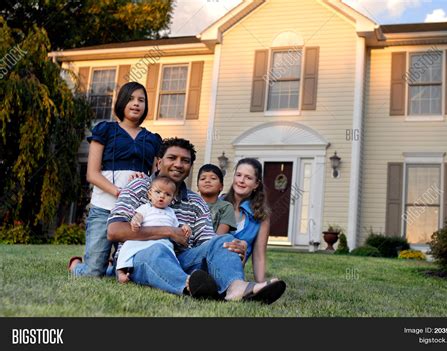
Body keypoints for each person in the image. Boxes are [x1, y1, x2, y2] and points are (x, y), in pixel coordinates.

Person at [107, 137, 286, 304]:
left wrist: (232, 248)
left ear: (190, 166)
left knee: (224, 240)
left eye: (185, 161)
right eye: (172, 158)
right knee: (156, 251)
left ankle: (236, 287)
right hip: (138, 257)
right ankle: (188, 284)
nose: (178, 164)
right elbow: (114, 231)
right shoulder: (139, 187)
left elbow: (208, 241)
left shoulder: (196, 201)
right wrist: (168, 231)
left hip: (181, 258)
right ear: (159, 161)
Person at [68, 82, 162, 277]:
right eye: (130, 99)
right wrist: (121, 192)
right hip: (104, 207)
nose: (136, 104)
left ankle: (113, 263)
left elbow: (156, 179)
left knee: (130, 272)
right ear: (121, 102)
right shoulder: (105, 130)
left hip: (136, 213)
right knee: (93, 273)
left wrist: (143, 185)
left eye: (141, 100)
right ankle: (76, 265)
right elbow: (92, 174)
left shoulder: (152, 139)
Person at [116, 175, 191, 283]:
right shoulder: (146, 208)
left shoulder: (171, 212)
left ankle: (176, 274)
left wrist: (185, 227)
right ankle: (121, 272)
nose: (162, 196)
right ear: (150, 194)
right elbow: (139, 216)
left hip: (163, 242)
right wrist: (136, 221)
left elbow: (177, 227)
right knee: (127, 248)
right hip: (143, 240)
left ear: (172, 199)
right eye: (158, 192)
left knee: (168, 255)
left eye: (167, 194)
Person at [224, 158, 273, 283]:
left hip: (233, 270)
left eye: (248, 178)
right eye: (238, 175)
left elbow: (259, 256)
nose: (241, 180)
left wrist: (261, 285)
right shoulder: (219, 203)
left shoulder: (261, 216)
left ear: (256, 184)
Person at [197, 164, 236, 235]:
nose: (207, 181)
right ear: (198, 186)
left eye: (213, 178)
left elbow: (219, 236)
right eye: (203, 178)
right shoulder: (191, 204)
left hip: (213, 243)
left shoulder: (226, 207)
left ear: (221, 186)